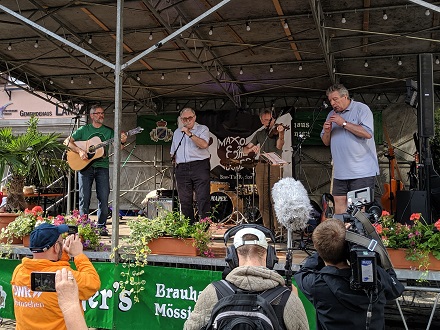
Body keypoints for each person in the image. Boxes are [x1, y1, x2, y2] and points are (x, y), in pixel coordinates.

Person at [184, 226, 309, 330]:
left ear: (232, 257)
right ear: (270, 256)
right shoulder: (287, 298)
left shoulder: (213, 292)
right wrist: (292, 299)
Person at [294, 219, 404, 330]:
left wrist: (324, 245)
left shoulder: (317, 284)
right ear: (347, 247)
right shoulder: (376, 276)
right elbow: (396, 289)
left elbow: (302, 272)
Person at [11, 223, 101, 330]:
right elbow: (93, 283)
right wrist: (78, 255)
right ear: (56, 247)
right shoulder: (64, 276)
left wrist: (61, 253)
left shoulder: (19, 271)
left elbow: (47, 266)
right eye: (60, 242)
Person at [64, 104, 127, 234]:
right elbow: (67, 142)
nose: (101, 115)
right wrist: (80, 151)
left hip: (102, 167)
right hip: (85, 167)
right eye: (98, 113)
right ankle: (84, 227)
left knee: (104, 198)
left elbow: (118, 148)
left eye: (102, 113)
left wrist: (123, 141)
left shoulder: (109, 131)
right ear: (92, 116)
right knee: (84, 198)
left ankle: (101, 226)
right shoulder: (83, 130)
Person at [321, 84, 379, 214]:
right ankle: (343, 234)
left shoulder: (361, 109)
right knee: (339, 208)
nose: (332, 103)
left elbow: (367, 133)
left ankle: (358, 234)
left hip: (361, 171)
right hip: (340, 172)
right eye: (330, 100)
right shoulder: (331, 114)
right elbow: (325, 142)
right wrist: (327, 132)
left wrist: (344, 123)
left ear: (345, 96)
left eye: (335, 99)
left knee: (358, 210)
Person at [243, 109, 285, 233]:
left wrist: (281, 134)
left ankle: (278, 229)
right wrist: (252, 149)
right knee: (263, 199)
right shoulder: (260, 134)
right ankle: (267, 228)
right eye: (265, 120)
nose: (268, 122)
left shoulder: (277, 132)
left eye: (270, 120)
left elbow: (279, 146)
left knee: (275, 198)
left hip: (274, 166)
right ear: (261, 120)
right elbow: (245, 149)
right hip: (261, 166)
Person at [170, 107, 211, 223]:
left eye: (190, 118)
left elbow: (204, 144)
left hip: (199, 165)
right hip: (182, 167)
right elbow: (173, 151)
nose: (188, 121)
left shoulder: (202, 129)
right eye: (184, 119)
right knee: (185, 199)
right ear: (181, 120)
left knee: (202, 197)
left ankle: (204, 226)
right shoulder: (177, 132)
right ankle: (189, 225)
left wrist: (189, 134)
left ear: (194, 118)